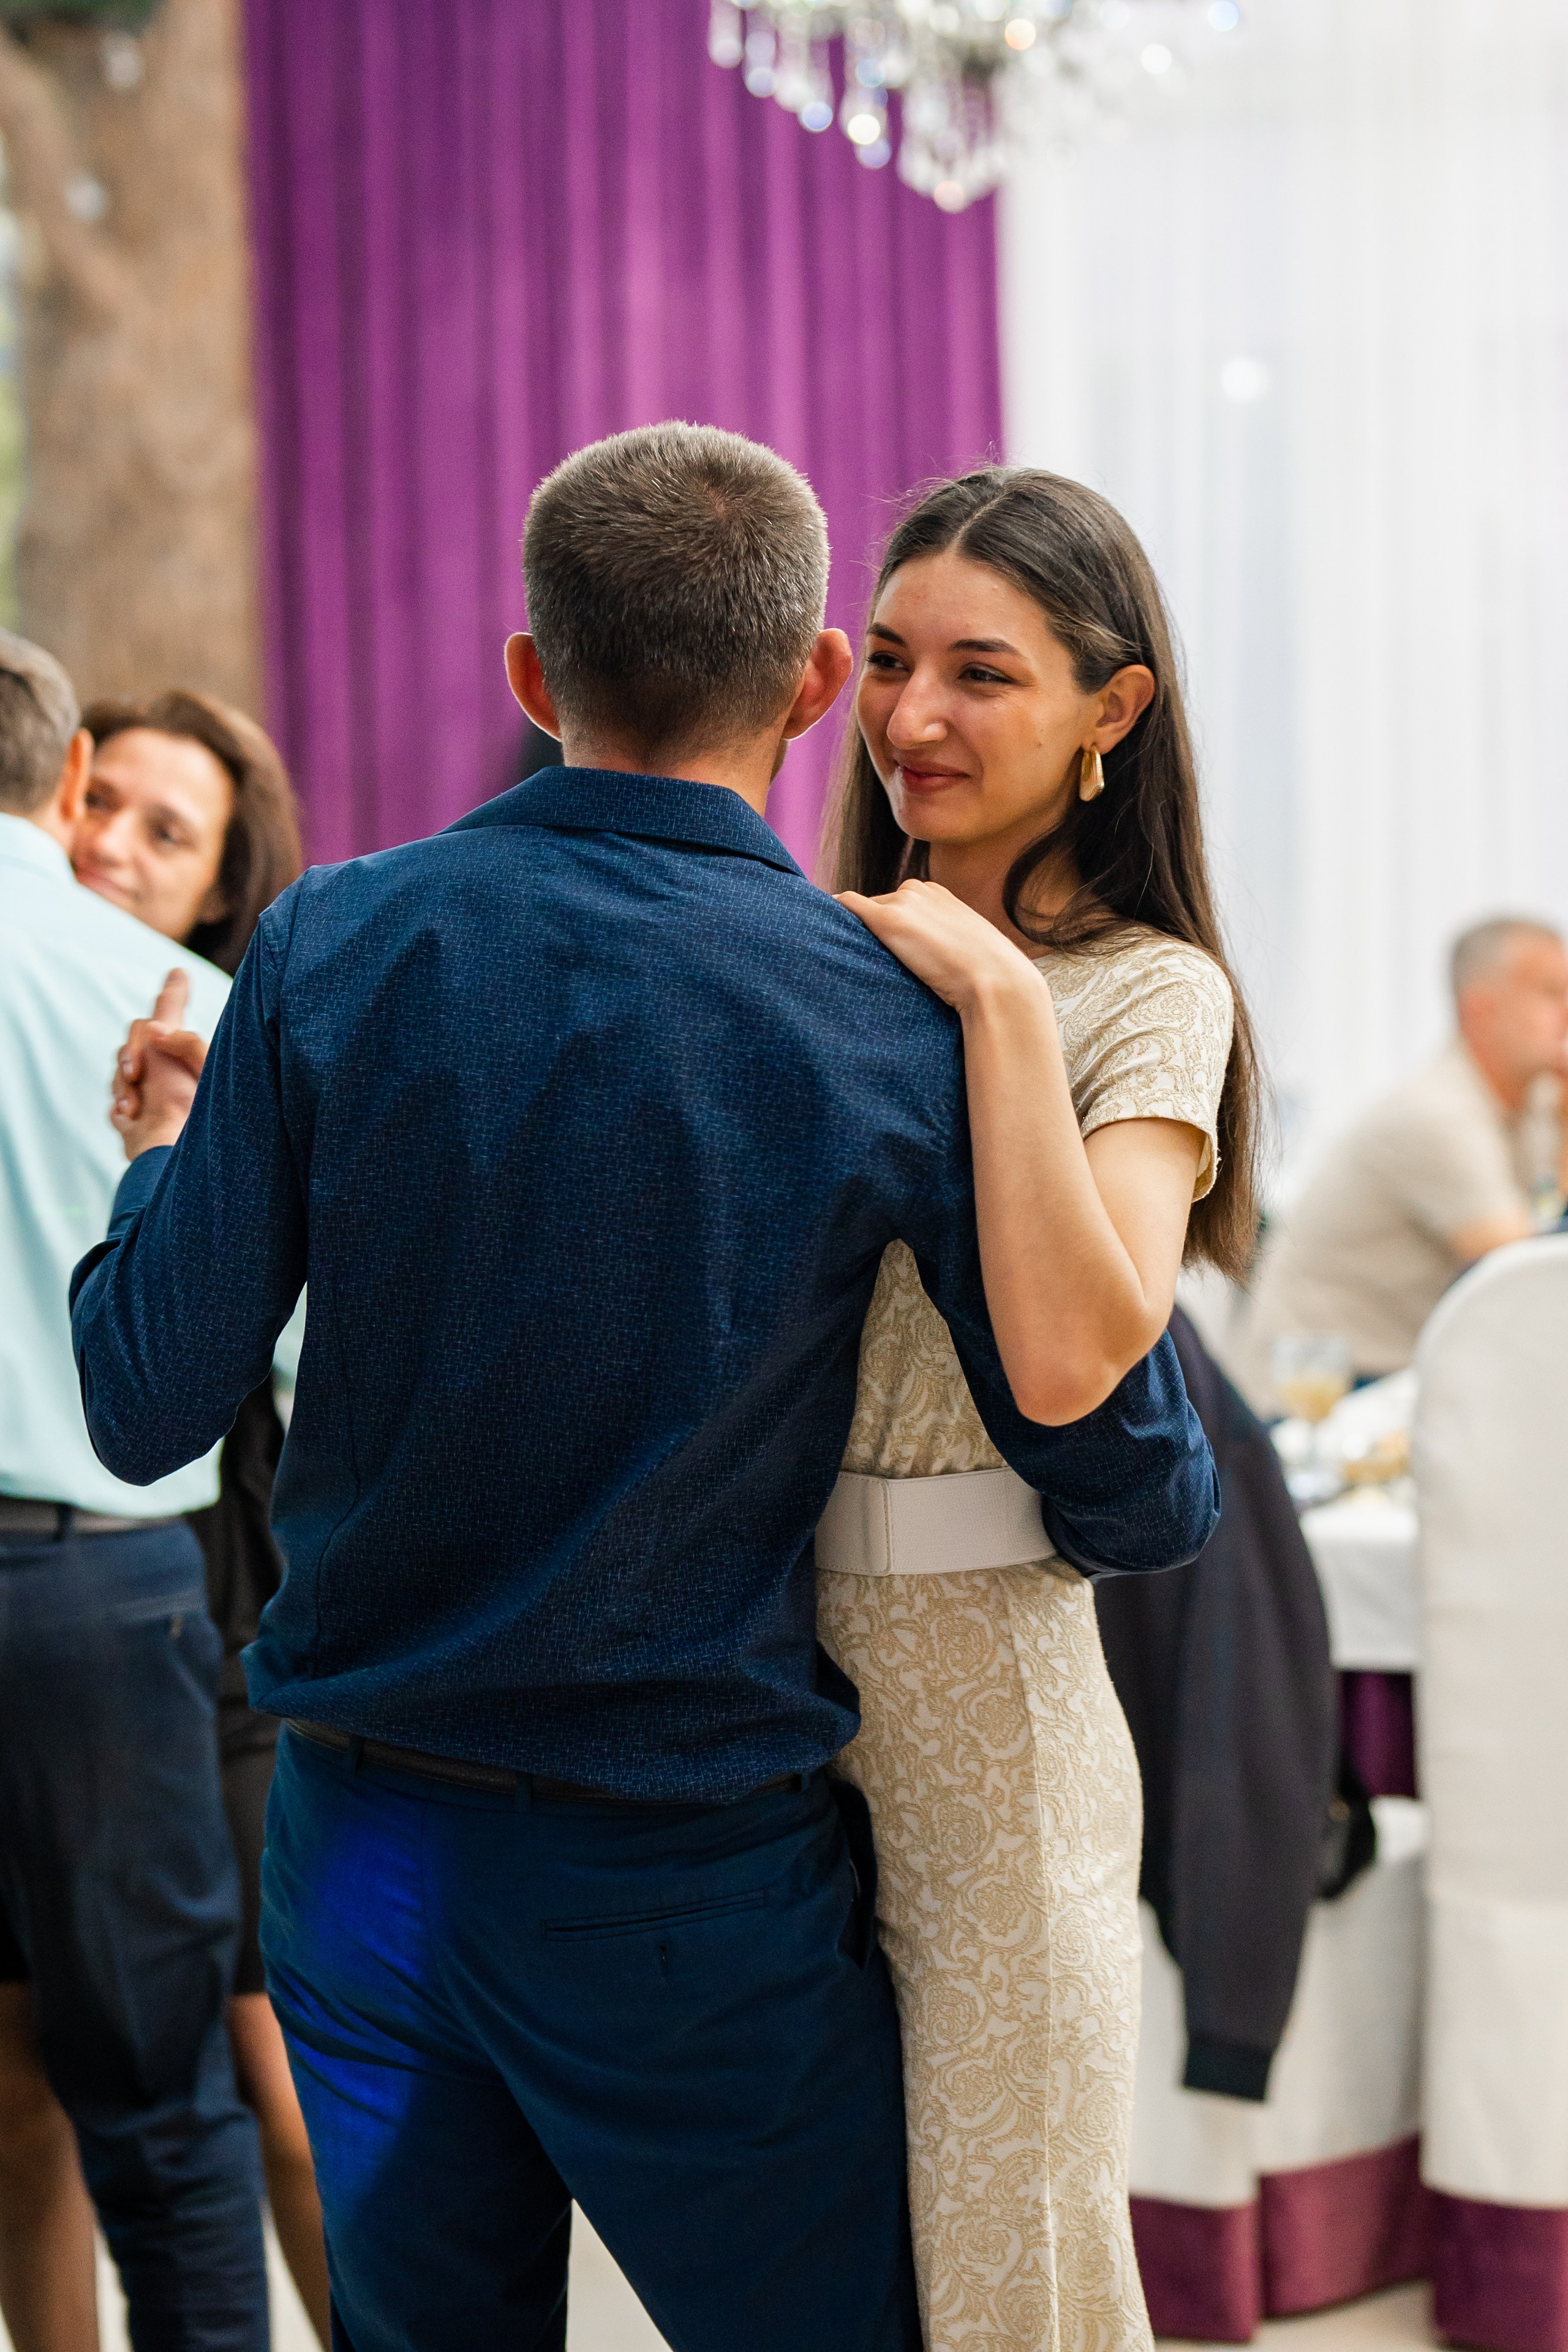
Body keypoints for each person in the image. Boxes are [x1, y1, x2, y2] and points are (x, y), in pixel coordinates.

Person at [72, 421, 1218, 2352]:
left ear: (532, 677)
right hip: (685, 1876)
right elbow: (1124, 1478)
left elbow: (139, 1405)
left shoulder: (332, 940)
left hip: (358, 1857)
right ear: (815, 684)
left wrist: (163, 1168)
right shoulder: (884, 1010)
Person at [813, 469, 1256, 2352]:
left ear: (1111, 710)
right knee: (804, 2271)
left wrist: (999, 998)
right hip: (738, 1691)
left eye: (981, 672)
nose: (912, 716)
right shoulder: (801, 957)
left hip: (993, 1704)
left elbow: (1081, 1350)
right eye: (890, 661)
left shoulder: (1146, 996)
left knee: (1017, 2277)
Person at [0, 631, 268, 2352]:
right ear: (72, 773)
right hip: (97, 1601)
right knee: (168, 2126)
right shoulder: (192, 1014)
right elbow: (304, 1348)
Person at [70, 692, 329, 2342]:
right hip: (62, 1606)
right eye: (105, 802)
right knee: (31, 2089)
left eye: (170, 833)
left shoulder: (249, 1044)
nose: (114, 845)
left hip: (220, 1599)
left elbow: (302, 1343)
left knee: (282, 2080)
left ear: (223, 888)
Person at [1236, 915, 1568, 1405]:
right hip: (1320, 1394)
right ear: (1483, 1011)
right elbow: (1525, 1282)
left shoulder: (1538, 1105)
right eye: (1550, 993)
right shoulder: (1436, 1114)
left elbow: (1547, 1228)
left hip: (1401, 1380)